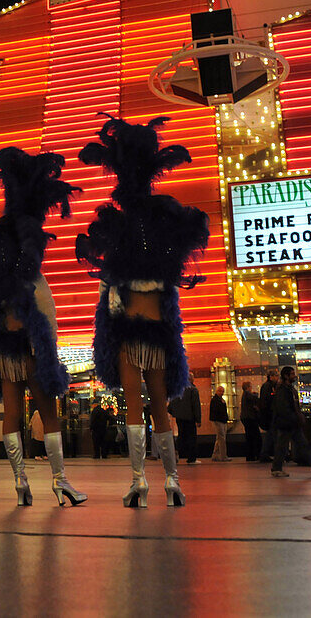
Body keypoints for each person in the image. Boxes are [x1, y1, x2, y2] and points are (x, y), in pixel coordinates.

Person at [75, 116, 211, 507]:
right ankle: (172, 481)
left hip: (126, 331)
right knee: (161, 407)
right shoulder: (165, 220)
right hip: (158, 330)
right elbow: (175, 272)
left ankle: (139, 482)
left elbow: (107, 285)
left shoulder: (117, 225)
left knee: (133, 407)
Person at [0, 147, 86, 506]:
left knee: (11, 412)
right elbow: (47, 320)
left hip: (4, 349)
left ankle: (20, 482)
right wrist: (49, 354)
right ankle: (60, 483)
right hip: (29, 347)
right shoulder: (32, 279)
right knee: (49, 413)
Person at [270, 366, 311, 478]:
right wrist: (294, 418)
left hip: (291, 423)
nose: (294, 376)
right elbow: (283, 408)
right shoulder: (283, 390)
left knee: (297, 445)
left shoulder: (288, 389)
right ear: (286, 376)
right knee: (286, 446)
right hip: (287, 423)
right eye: (292, 374)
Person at [168, 382, 201, 464]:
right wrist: (198, 419)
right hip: (190, 418)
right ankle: (191, 458)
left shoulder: (177, 389)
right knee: (191, 438)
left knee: (181, 436)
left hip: (179, 418)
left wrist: (176, 414)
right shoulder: (193, 389)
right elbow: (196, 405)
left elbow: (170, 406)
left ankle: (175, 454)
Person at [258, 370, 280, 462]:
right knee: (272, 434)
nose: (277, 378)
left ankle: (267, 454)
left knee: (272, 435)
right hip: (270, 415)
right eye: (276, 376)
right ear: (271, 376)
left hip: (270, 415)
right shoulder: (268, 387)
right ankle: (266, 454)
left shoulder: (270, 386)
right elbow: (267, 401)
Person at [240, 381, 260, 463]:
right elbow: (254, 398)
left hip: (245, 418)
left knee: (249, 437)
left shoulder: (244, 395)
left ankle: (250, 455)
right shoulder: (247, 393)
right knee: (255, 436)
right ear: (248, 387)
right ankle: (254, 455)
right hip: (249, 418)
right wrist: (256, 394)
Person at [210, 385, 231, 462]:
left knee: (219, 438)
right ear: (216, 391)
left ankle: (215, 455)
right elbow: (217, 411)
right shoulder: (215, 400)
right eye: (220, 391)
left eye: (222, 391)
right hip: (218, 421)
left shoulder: (221, 400)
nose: (221, 393)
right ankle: (223, 456)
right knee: (222, 438)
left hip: (222, 421)